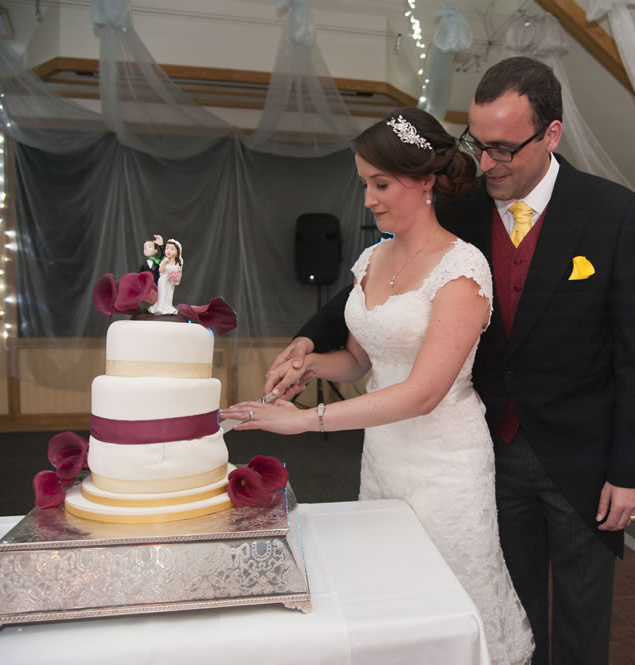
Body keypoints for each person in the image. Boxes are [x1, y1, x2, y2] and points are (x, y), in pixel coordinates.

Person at [262, 57, 635, 665]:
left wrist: (630, 469)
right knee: (509, 609)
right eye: (479, 144)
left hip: (581, 453)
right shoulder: (464, 205)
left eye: (504, 148)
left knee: (581, 616)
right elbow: (382, 288)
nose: (488, 163)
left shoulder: (613, 212)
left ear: (551, 134)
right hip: (488, 447)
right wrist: (308, 342)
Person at [222, 107, 535, 665]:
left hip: (446, 464)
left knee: (449, 604)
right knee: (393, 601)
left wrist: (304, 421)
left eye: (381, 183)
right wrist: (312, 364)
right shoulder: (370, 260)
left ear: (425, 181)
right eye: (365, 184)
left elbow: (422, 393)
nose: (368, 198)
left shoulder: (463, 269)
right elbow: (360, 360)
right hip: (385, 455)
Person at [148, 239, 182, 315]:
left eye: (172, 249)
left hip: (171, 282)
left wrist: (175, 278)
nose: (169, 251)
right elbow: (161, 270)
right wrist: (164, 263)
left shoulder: (177, 263)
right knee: (162, 293)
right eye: (167, 248)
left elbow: (178, 272)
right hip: (163, 280)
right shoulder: (165, 261)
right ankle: (160, 307)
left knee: (169, 295)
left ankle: (167, 307)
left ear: (177, 252)